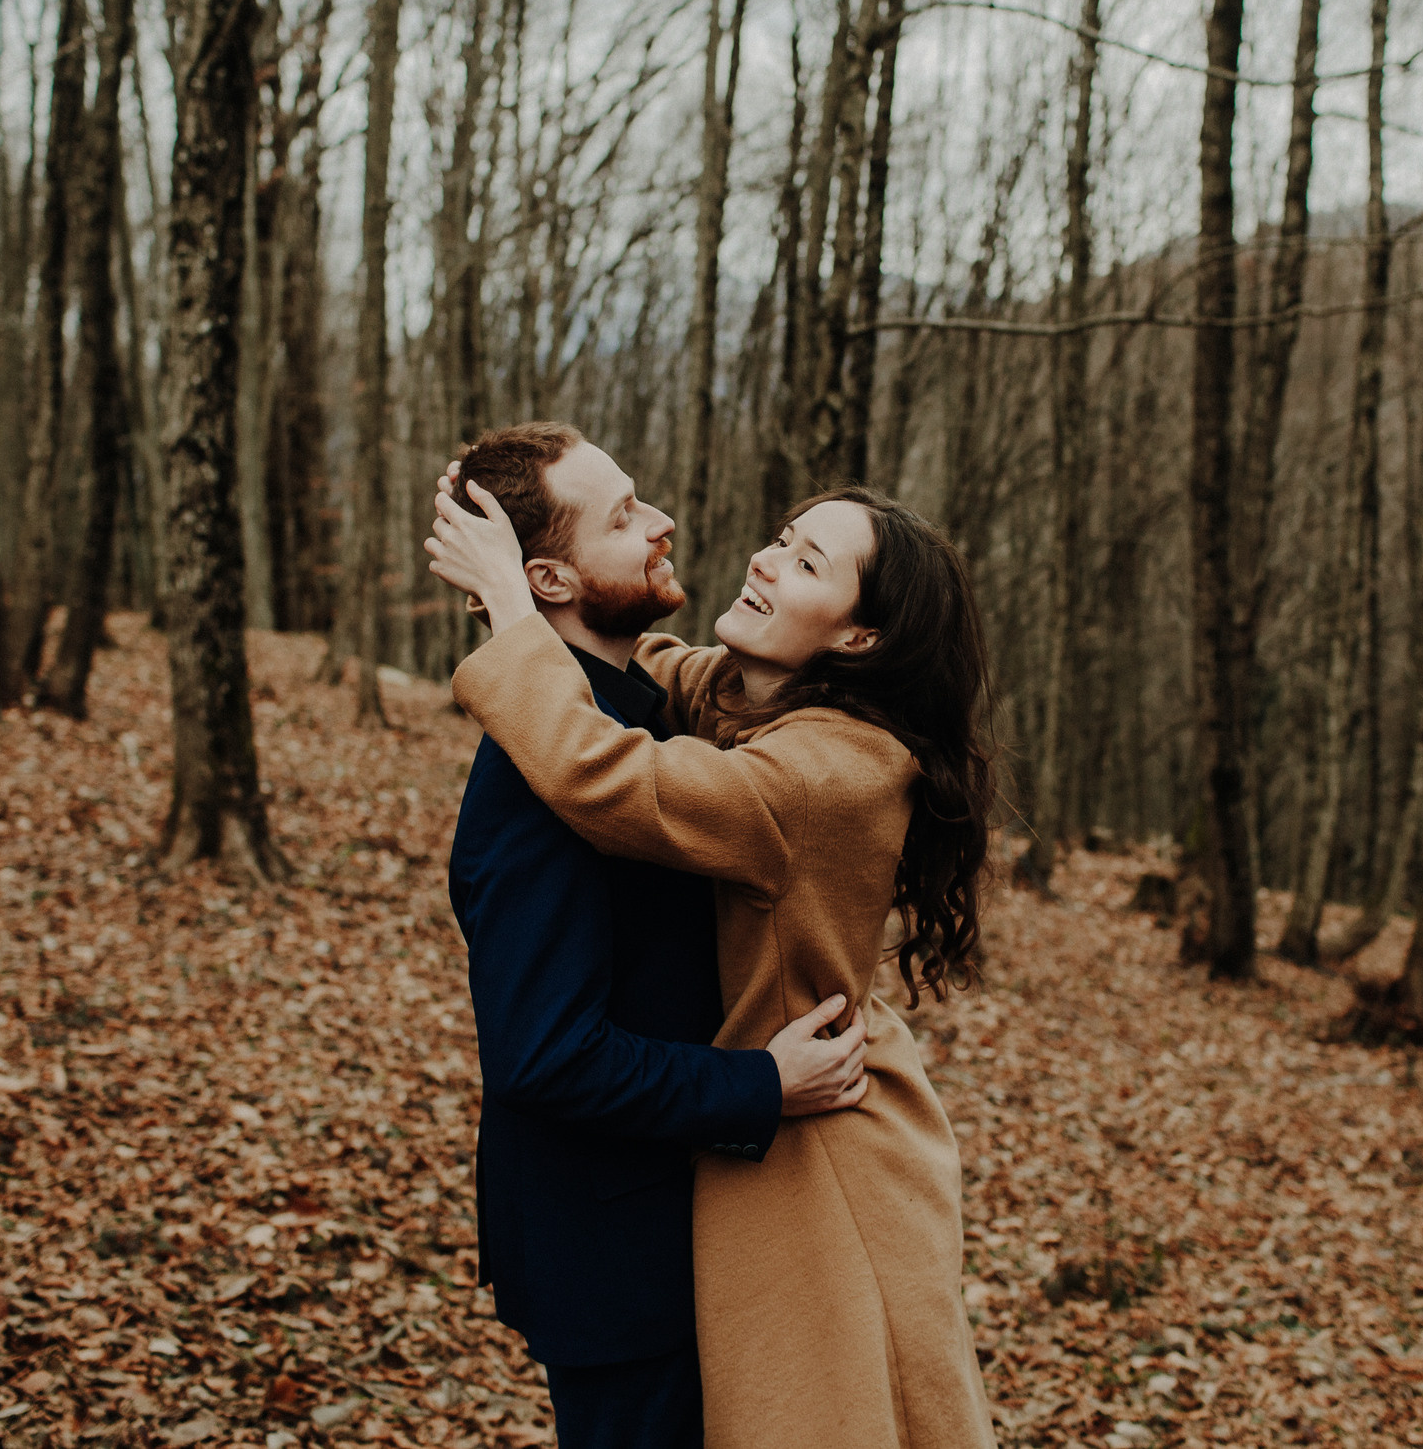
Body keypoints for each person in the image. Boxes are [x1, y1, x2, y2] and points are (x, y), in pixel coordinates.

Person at [429, 453, 1000, 1449]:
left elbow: (607, 773)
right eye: (783, 538)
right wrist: (518, 584)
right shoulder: (739, 696)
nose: (764, 558)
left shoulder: (825, 770)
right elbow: (639, 658)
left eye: (807, 562)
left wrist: (522, 606)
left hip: (822, 1149)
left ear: (859, 637)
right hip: (744, 1136)